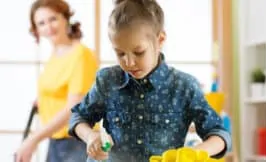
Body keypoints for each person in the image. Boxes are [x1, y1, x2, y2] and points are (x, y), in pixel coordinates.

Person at [69, 0, 232, 161]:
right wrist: (90, 136)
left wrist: (192, 154)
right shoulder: (107, 80)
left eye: (139, 52)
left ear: (160, 40)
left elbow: (220, 134)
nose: (129, 62)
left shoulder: (184, 86)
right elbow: (78, 117)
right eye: (120, 53)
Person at [15, 0, 99, 162]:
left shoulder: (81, 55)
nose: (49, 27)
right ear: (36, 29)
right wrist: (44, 100)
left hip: (75, 142)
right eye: (41, 23)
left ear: (65, 18)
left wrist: (33, 139)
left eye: (53, 19)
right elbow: (58, 90)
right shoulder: (57, 53)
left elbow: (73, 109)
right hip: (56, 140)